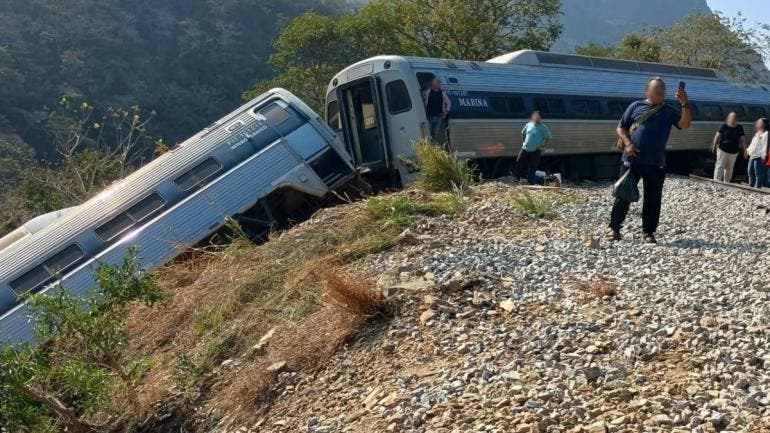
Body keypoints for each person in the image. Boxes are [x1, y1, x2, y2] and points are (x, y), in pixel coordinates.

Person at [607, 77, 692, 244]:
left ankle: (649, 232)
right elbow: (621, 127)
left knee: (653, 198)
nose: (661, 91)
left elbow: (685, 124)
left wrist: (684, 104)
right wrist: (628, 144)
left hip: (656, 162)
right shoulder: (635, 106)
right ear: (648, 91)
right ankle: (614, 228)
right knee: (623, 195)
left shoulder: (668, 110)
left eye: (663, 89)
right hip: (632, 160)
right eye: (657, 88)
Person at [516, 111, 552, 184]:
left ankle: (530, 181)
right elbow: (522, 133)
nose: (536, 117)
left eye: (538, 116)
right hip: (525, 148)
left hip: (536, 149)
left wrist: (543, 146)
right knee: (519, 162)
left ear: (540, 118)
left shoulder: (543, 127)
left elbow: (548, 137)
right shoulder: (528, 124)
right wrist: (523, 142)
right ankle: (521, 178)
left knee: (533, 166)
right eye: (535, 116)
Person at [712, 112, 745, 182]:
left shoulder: (739, 127)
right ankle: (716, 181)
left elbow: (742, 139)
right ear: (728, 118)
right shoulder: (724, 126)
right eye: (732, 117)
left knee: (730, 168)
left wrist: (745, 150)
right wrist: (714, 146)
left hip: (734, 151)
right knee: (720, 166)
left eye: (735, 117)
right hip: (722, 149)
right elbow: (717, 136)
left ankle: (726, 182)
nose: (733, 119)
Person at [421, 78, 451, 146]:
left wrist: (446, 111)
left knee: (437, 133)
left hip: (439, 117)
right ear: (433, 84)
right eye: (437, 83)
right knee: (431, 134)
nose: (438, 85)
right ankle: (434, 148)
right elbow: (422, 96)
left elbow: (448, 103)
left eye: (438, 83)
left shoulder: (443, 93)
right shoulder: (428, 92)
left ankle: (439, 147)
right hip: (430, 116)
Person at [746, 117, 769, 188]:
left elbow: (765, 145)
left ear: (764, 124)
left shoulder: (766, 133)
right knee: (750, 171)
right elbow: (752, 143)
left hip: (759, 156)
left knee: (758, 173)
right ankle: (751, 185)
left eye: (759, 122)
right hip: (752, 155)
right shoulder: (757, 133)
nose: (758, 124)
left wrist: (763, 156)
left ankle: (757, 187)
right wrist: (748, 150)